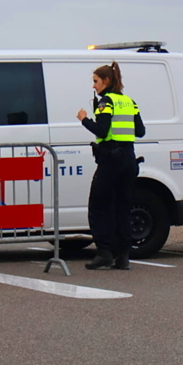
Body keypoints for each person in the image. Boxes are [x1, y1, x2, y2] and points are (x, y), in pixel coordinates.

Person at [76, 61, 145, 270]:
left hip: (111, 159)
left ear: (106, 81)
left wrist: (84, 120)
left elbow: (103, 131)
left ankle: (104, 251)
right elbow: (140, 131)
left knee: (98, 206)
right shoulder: (129, 101)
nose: (93, 86)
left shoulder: (106, 102)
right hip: (129, 158)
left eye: (95, 81)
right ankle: (123, 256)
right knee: (122, 208)